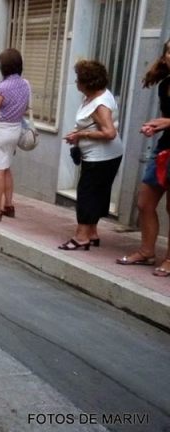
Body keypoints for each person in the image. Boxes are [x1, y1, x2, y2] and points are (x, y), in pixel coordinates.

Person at [116, 38, 170, 276]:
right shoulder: (165, 84)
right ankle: (147, 252)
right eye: (169, 51)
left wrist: (167, 122)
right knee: (145, 203)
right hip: (164, 149)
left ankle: (169, 260)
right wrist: (154, 126)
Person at [58, 60, 123, 251]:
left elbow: (109, 133)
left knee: (87, 194)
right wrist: (80, 133)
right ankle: (92, 233)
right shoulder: (97, 96)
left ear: (88, 82)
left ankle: (81, 237)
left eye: (79, 79)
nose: (76, 82)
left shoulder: (99, 104)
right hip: (104, 156)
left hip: (100, 157)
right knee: (98, 194)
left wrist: (81, 135)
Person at [0, 48, 30, 221]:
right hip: (15, 129)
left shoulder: (1, 88)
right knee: (6, 166)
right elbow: (26, 107)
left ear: (4, 67)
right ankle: (9, 205)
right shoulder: (25, 84)